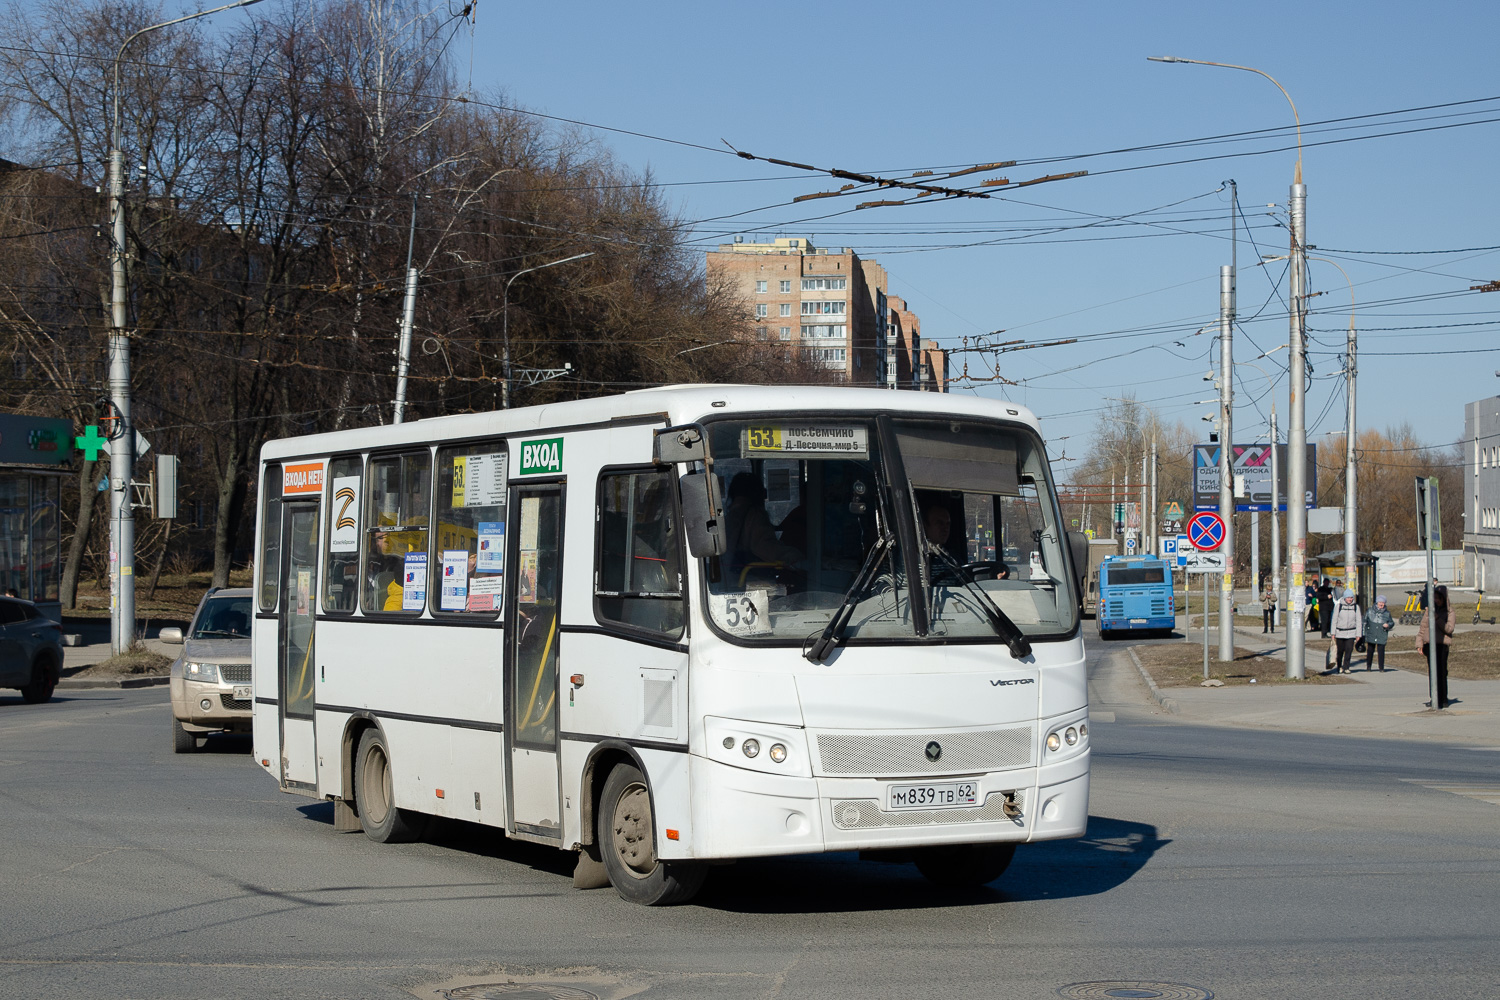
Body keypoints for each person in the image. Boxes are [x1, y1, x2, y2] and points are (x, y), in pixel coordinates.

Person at [723, 472, 801, 585]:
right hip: (752, 580)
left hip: (731, 578)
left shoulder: (731, 515)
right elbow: (766, 548)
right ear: (757, 492)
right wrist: (796, 557)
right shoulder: (755, 515)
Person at [1416, 584, 1456, 708]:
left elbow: (1449, 629)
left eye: (1439, 598)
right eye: (1435, 598)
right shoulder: (1429, 611)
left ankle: (1443, 698)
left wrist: (1437, 619)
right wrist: (1419, 643)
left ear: (1444, 599)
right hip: (1430, 645)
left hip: (1441, 646)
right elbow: (1423, 627)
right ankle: (1434, 698)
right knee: (1432, 672)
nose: (1436, 601)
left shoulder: (1449, 612)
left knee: (1441, 672)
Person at [1330, 591, 1362, 673]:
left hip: (1351, 632)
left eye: (1351, 597)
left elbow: (1359, 621)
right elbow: (1334, 620)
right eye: (1348, 597)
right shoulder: (1339, 606)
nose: (1350, 599)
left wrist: (1358, 634)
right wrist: (1333, 633)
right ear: (1345, 598)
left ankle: (1346, 667)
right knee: (1340, 651)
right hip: (1340, 632)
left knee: (1349, 650)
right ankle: (1339, 666)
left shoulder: (1356, 607)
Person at [1363, 594, 1394, 671]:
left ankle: (1381, 667)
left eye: (1383, 603)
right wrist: (1364, 633)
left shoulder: (1387, 613)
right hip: (1371, 633)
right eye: (1380, 602)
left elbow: (1391, 622)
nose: (1381, 604)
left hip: (1381, 634)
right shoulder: (1369, 611)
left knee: (1381, 651)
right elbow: (1364, 622)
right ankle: (1368, 666)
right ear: (1377, 603)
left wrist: (1388, 625)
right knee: (1370, 650)